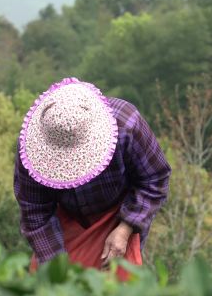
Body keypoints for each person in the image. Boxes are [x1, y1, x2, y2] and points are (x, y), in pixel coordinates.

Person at [13, 77, 171, 272]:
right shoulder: (31, 150)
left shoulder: (127, 125)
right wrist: (57, 268)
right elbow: (35, 212)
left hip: (119, 213)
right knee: (54, 290)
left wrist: (125, 228)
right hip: (65, 217)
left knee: (115, 290)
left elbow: (155, 178)